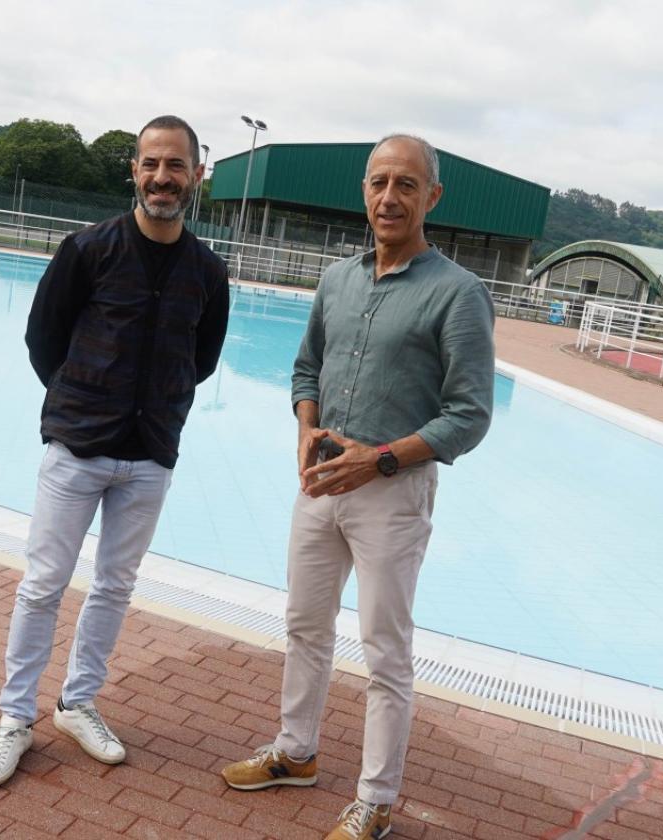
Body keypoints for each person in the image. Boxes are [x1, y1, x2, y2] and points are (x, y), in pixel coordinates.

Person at [221, 134, 495, 839]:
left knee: (384, 649)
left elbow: (469, 416)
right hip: (320, 482)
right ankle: (296, 752)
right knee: (305, 625)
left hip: (391, 492)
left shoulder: (459, 294)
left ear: (432, 197)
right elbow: (305, 367)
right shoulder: (337, 280)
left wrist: (375, 461)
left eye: (407, 184)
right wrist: (307, 431)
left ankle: (374, 801)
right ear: (363, 191)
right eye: (378, 182)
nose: (389, 197)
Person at [0, 115, 229, 787]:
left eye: (176, 166)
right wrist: (83, 402)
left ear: (196, 176)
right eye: (151, 164)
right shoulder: (87, 250)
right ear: (134, 170)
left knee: (115, 586)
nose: (162, 178)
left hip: (150, 454)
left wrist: (155, 408)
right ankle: (15, 718)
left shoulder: (208, 271)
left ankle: (78, 702)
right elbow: (43, 340)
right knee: (42, 584)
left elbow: (200, 361)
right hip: (78, 447)